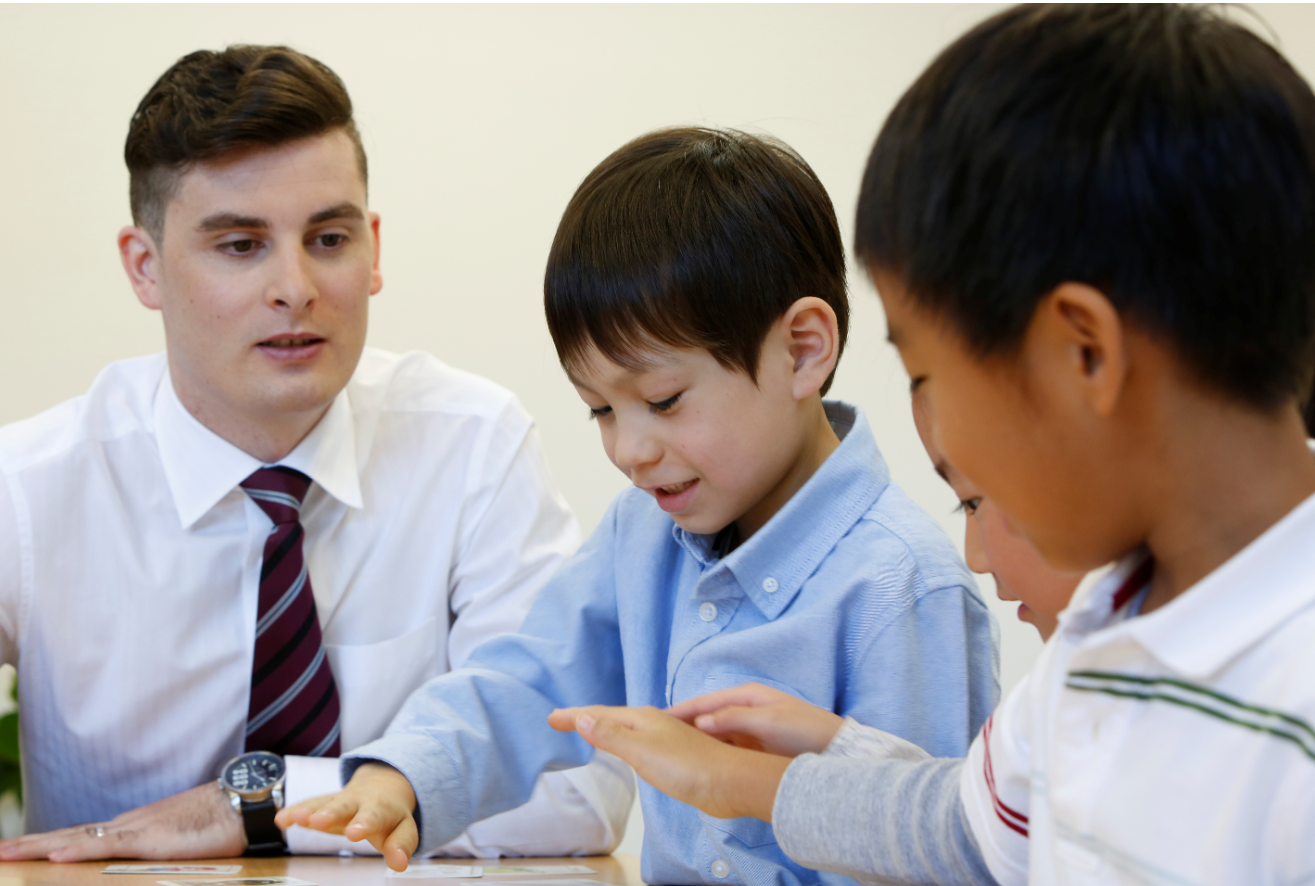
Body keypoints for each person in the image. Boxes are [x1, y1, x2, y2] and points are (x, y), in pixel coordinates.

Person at [548, 5, 1315, 884]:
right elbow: (963, 826)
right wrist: (766, 776)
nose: (928, 430)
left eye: (922, 369)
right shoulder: (1102, 627)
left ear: (1084, 355)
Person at [277, 126, 1000, 885]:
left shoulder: (903, 585)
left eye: (662, 400)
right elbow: (532, 680)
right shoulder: (644, 533)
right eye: (600, 411)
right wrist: (405, 777)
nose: (629, 450)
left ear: (802, 350)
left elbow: (940, 846)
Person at [0, 44, 632, 863]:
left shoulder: (472, 446)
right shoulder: (30, 487)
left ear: (372, 247)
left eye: (328, 239)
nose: (295, 287)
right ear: (144, 266)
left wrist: (262, 805)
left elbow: (578, 782)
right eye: (240, 245)